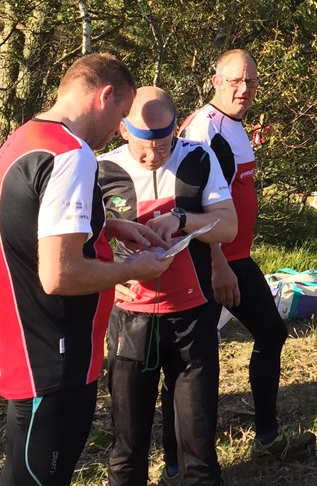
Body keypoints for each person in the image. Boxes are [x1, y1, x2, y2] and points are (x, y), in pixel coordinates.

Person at [0, 53, 174, 486]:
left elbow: (29, 223)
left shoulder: (27, 137)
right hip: (56, 356)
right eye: (121, 115)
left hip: (21, 342)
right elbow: (60, 275)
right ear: (104, 96)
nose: (116, 131)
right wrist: (134, 268)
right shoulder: (72, 155)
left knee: (19, 472)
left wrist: (108, 226)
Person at [178, 49, 316, 463]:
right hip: (209, 261)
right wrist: (218, 263)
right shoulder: (205, 128)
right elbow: (194, 204)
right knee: (194, 361)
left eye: (251, 81)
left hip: (236, 256)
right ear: (216, 81)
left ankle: (267, 439)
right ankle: (180, 462)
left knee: (271, 333)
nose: (244, 89)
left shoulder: (235, 126)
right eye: (235, 81)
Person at [96, 87, 238, 486]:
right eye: (143, 146)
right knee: (128, 439)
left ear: (176, 129)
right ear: (123, 129)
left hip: (191, 315)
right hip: (131, 317)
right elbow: (79, 243)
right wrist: (107, 275)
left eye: (163, 144)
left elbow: (228, 226)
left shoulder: (198, 158)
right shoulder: (101, 168)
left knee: (199, 439)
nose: (153, 156)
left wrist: (181, 218)